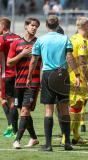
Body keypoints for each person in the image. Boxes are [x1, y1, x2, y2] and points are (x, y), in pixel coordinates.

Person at [27, 15, 80, 151]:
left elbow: (33, 61)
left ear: (46, 25)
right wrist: (77, 75)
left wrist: (29, 77)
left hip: (48, 74)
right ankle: (67, 143)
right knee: (63, 109)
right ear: (58, 25)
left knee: (49, 109)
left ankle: (49, 145)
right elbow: (69, 57)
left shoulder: (41, 40)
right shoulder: (64, 38)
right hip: (62, 74)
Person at [7, 17, 41, 149]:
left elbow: (44, 62)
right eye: (32, 25)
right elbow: (9, 62)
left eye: (36, 26)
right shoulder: (16, 43)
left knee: (25, 110)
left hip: (33, 82)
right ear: (26, 26)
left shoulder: (39, 43)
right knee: (23, 111)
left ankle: (17, 140)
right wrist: (22, 54)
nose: (34, 28)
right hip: (19, 82)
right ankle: (33, 138)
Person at [68, 17, 88, 144]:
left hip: (71, 78)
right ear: (86, 26)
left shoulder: (71, 39)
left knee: (77, 107)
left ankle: (75, 136)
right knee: (75, 108)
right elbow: (82, 63)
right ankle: (66, 137)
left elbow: (68, 58)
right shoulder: (81, 42)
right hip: (79, 80)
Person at [0, 17, 21, 138]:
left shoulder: (2, 39)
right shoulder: (18, 37)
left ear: (3, 27)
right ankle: (13, 127)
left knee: (6, 100)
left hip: (5, 74)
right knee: (13, 101)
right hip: (18, 74)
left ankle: (12, 128)